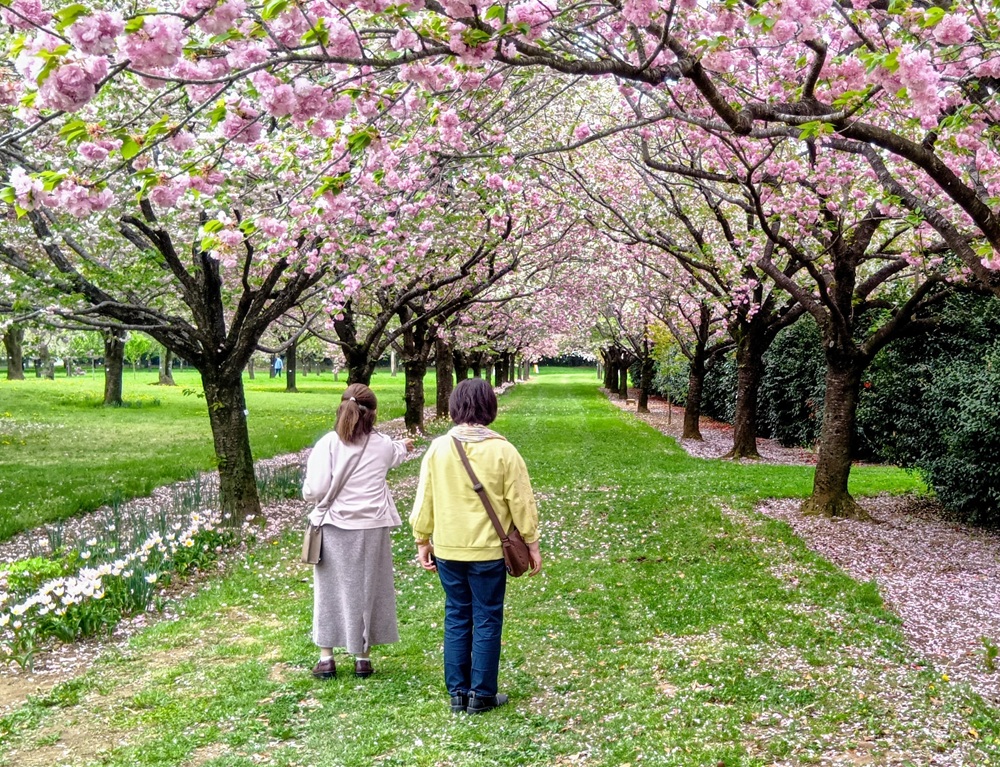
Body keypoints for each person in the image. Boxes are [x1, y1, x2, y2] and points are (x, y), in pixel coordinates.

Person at [410, 377, 542, 714]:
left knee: (456, 614)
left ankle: (458, 692)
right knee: (486, 617)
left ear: (455, 407)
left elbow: (425, 499)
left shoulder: (438, 449)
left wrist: (422, 539)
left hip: (448, 549)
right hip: (489, 551)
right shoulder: (504, 451)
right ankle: (481, 693)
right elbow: (521, 502)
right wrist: (532, 543)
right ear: (489, 408)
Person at [302, 383, 413, 679]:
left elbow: (315, 489)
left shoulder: (328, 444)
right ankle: (363, 658)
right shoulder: (383, 444)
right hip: (373, 526)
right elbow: (396, 454)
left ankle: (326, 658)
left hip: (335, 526)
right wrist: (405, 446)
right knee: (370, 589)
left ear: (341, 409)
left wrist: (310, 493)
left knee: (329, 592)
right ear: (373, 414)